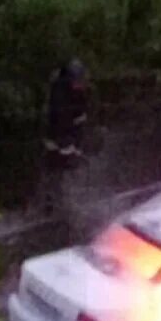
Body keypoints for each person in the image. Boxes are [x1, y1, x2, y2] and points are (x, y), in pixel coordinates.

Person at [41, 58, 90, 216]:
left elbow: (80, 115)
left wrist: (76, 142)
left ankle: (62, 203)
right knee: (54, 170)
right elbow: (58, 119)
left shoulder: (77, 91)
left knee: (65, 169)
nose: (80, 85)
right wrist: (66, 145)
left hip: (70, 136)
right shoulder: (59, 93)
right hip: (56, 137)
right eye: (78, 82)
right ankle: (50, 204)